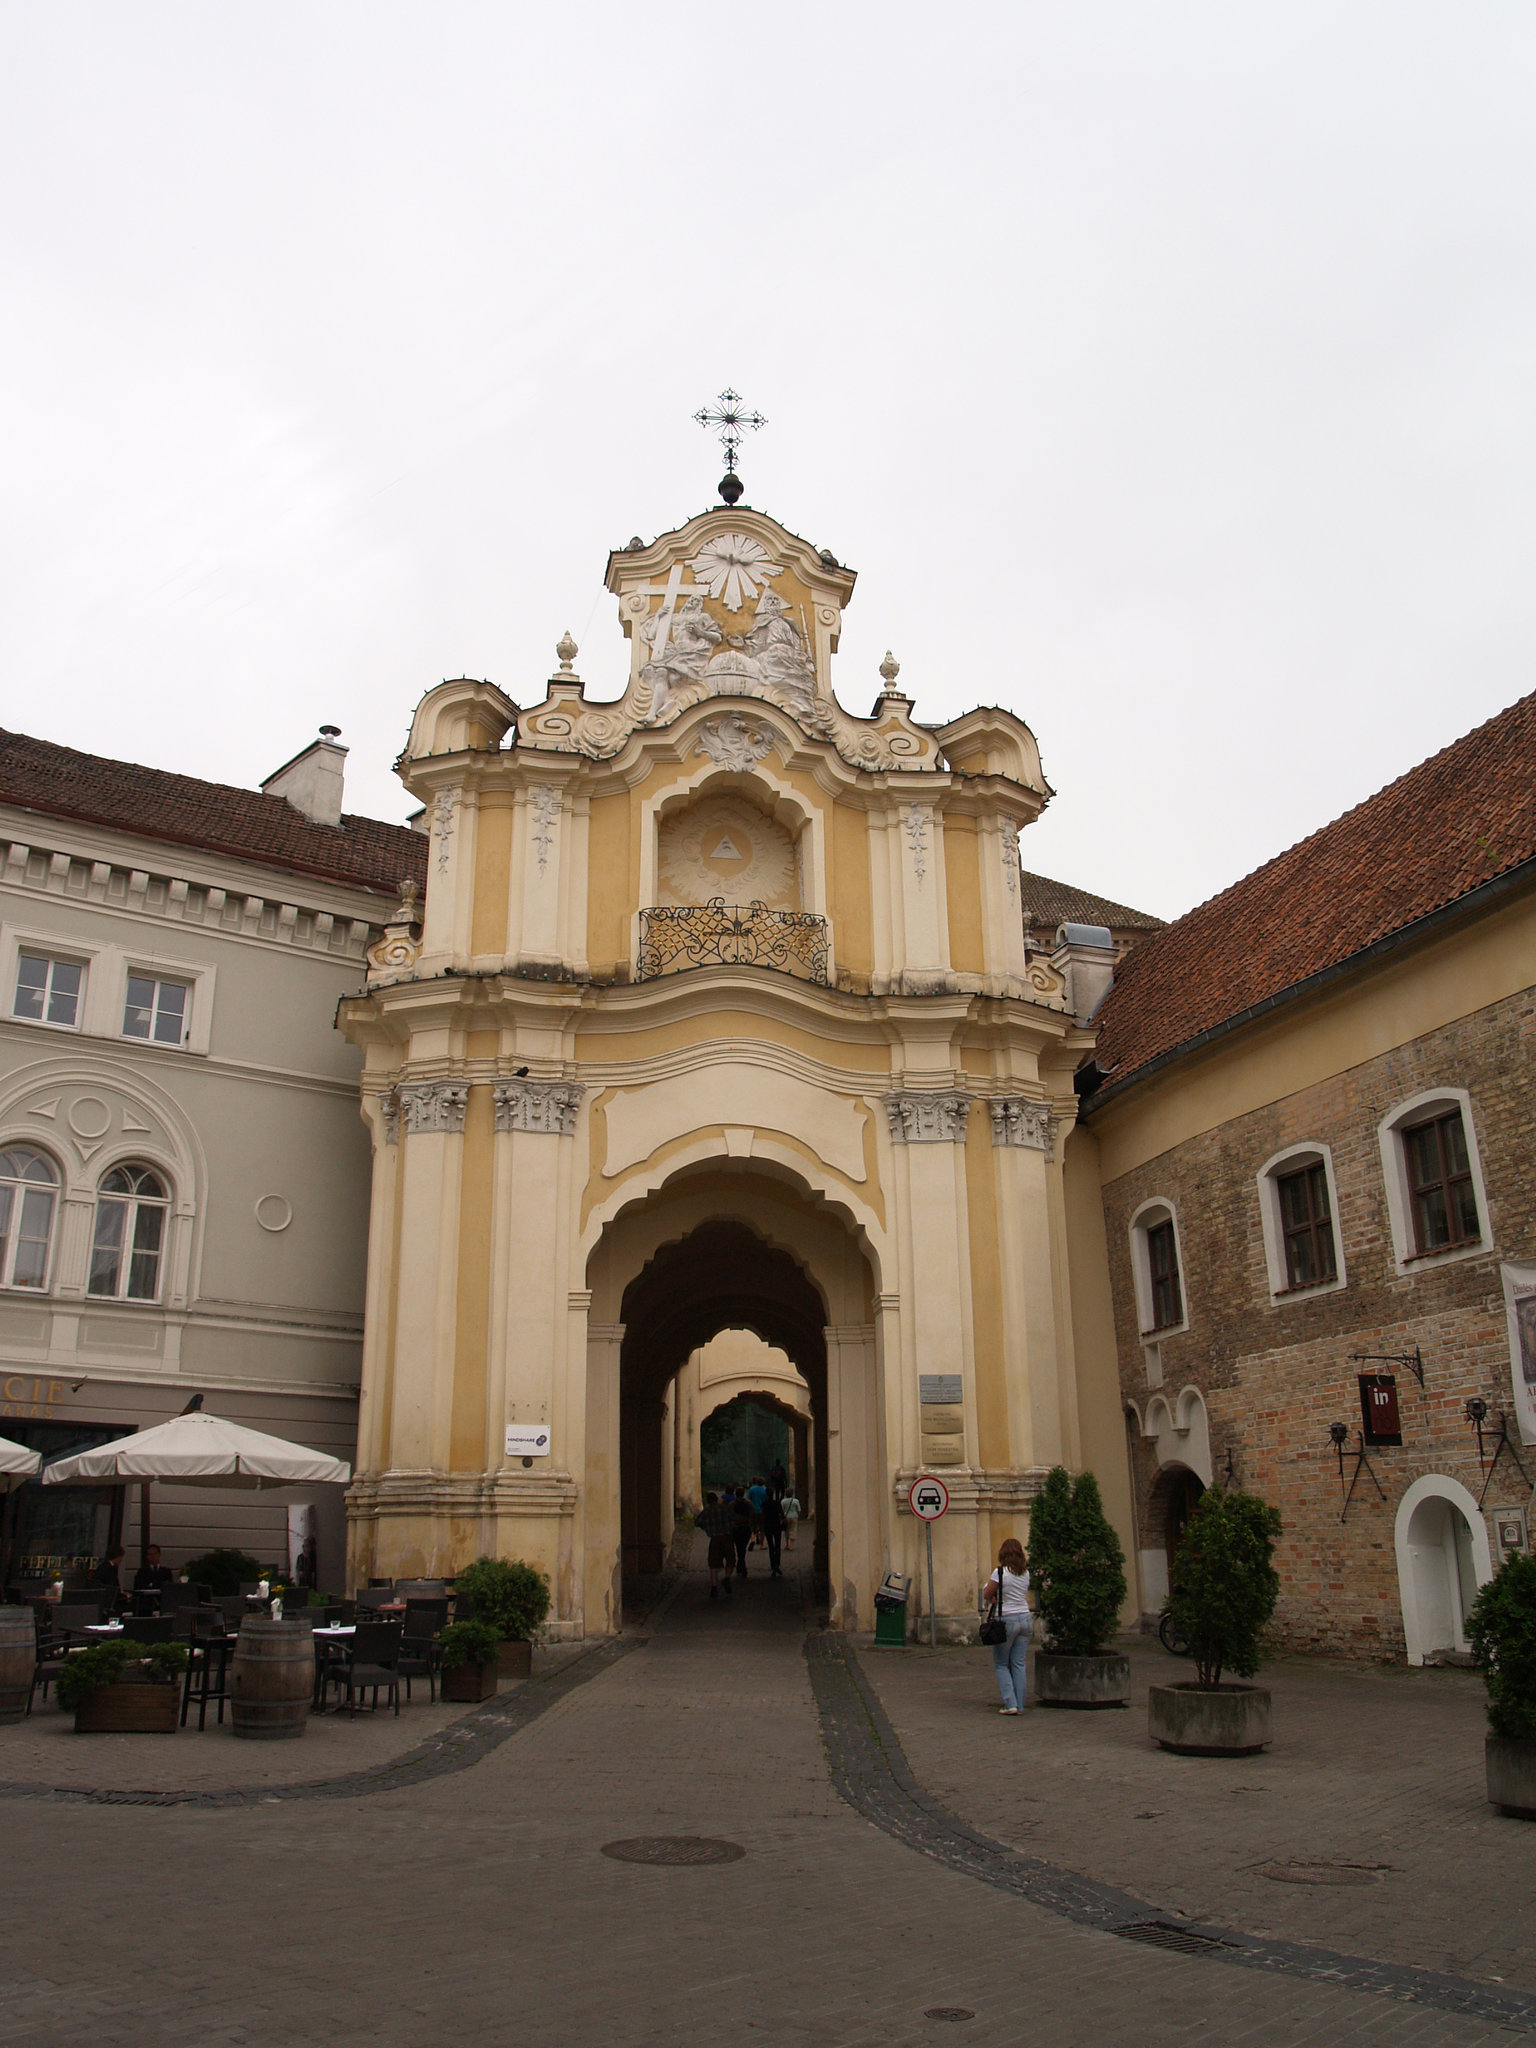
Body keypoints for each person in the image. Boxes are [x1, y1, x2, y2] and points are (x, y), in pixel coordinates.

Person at [982, 1538, 1033, 1714]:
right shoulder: (1025, 1573)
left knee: (1001, 1664)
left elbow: (988, 1593)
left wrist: (991, 1594)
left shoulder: (1000, 1572)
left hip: (1006, 1620)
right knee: (1018, 1663)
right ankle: (1019, 1704)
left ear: (1003, 1553)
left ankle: (1009, 1703)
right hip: (1025, 1618)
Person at [695, 1492, 735, 1600]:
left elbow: (697, 1522)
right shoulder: (725, 1508)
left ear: (708, 1501)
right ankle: (727, 1577)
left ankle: (714, 1587)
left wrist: (707, 1527)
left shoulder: (706, 1511)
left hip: (715, 1539)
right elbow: (733, 1518)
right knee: (731, 1560)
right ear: (717, 1499)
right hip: (727, 1537)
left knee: (713, 1563)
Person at [92, 1545, 126, 1613]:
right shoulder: (108, 1569)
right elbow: (111, 1586)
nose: (121, 1560)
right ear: (117, 1556)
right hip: (107, 1601)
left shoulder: (107, 1567)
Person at [729, 1487, 754, 1578]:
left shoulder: (732, 1504)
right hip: (746, 1528)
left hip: (736, 1528)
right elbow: (752, 1515)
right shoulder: (749, 1504)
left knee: (739, 1547)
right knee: (742, 1547)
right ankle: (742, 1565)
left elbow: (729, 1516)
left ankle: (741, 1564)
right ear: (743, 1493)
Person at [761, 1490, 785, 1577]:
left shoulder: (765, 1504)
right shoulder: (777, 1503)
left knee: (771, 1546)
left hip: (768, 1526)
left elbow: (763, 1514)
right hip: (776, 1525)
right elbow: (782, 1514)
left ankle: (773, 1564)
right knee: (777, 1545)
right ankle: (777, 1564)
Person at [747, 1474, 768, 1548]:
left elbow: (748, 1499)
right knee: (762, 1528)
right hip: (762, 1510)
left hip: (753, 1510)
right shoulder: (764, 1490)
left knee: (753, 1526)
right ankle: (762, 1545)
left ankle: (753, 1539)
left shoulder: (752, 1489)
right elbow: (766, 1500)